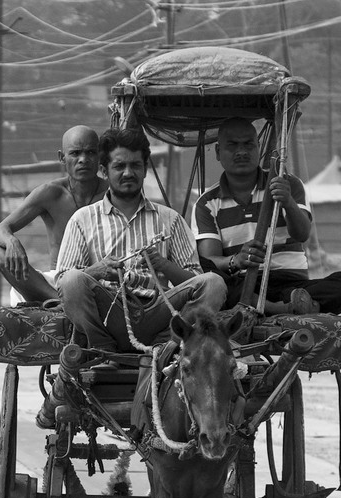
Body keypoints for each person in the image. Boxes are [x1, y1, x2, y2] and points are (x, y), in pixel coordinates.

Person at [54, 127, 226, 355]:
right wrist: (98, 270)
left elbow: (195, 279)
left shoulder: (170, 219)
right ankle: (102, 346)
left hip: (160, 313)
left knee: (214, 283)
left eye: (135, 165)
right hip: (108, 313)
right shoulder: (82, 219)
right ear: (104, 171)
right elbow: (63, 280)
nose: (128, 173)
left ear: (145, 169)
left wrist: (163, 266)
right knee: (72, 280)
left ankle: (169, 344)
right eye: (119, 166)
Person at [192, 117, 341, 314]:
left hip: (293, 285)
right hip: (245, 286)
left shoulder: (287, 184)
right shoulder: (206, 203)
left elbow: (302, 234)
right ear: (217, 152)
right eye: (232, 145)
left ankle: (293, 305)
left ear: (259, 148)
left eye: (248, 144)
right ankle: (287, 310)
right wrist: (236, 260)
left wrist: (287, 201)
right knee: (207, 274)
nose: (241, 152)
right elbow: (209, 260)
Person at [0, 125, 109, 304]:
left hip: (100, 279)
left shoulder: (112, 194)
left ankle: (60, 301)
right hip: (56, 281)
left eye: (90, 153)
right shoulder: (51, 193)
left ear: (99, 155)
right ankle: (59, 301)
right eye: (75, 153)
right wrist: (12, 242)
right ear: (62, 157)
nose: (83, 160)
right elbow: (0, 230)